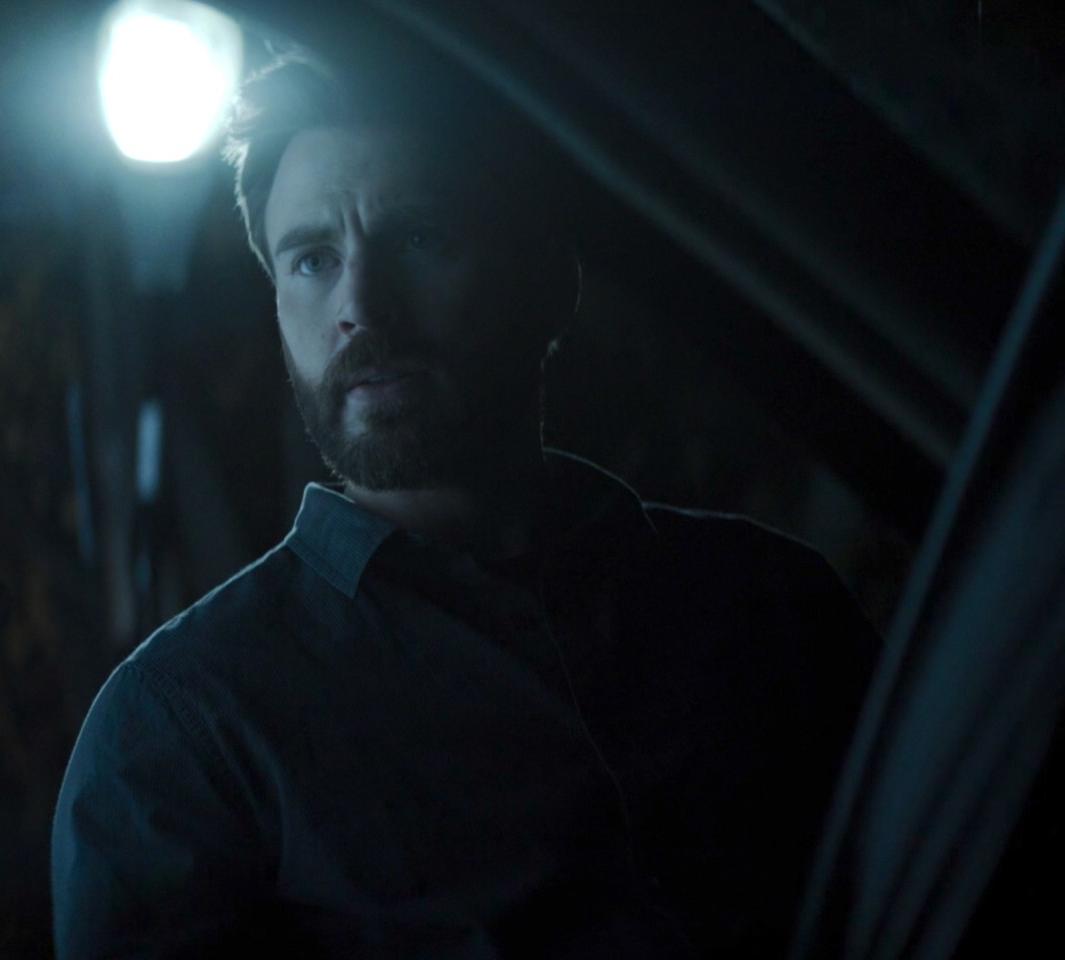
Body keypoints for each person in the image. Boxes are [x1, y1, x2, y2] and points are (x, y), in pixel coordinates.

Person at [51, 55, 880, 959]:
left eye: (418, 239)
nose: (361, 307)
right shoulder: (184, 731)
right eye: (314, 260)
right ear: (278, 303)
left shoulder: (770, 606)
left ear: (550, 283)